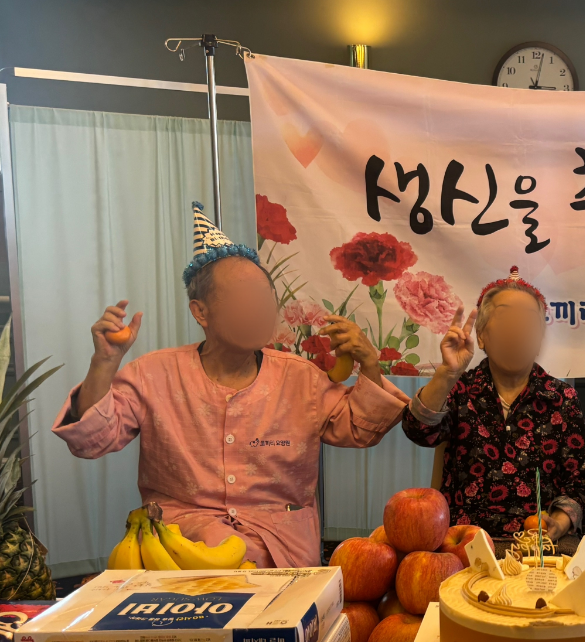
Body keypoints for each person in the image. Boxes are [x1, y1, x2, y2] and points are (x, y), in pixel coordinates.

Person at [53, 202, 410, 567]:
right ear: (200, 312)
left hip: (283, 555)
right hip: (181, 553)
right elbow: (91, 441)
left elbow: (360, 429)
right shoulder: (154, 374)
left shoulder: (301, 378)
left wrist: (369, 364)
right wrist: (104, 363)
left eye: (263, 298)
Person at [401, 266, 585, 549]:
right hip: (468, 542)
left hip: (540, 546)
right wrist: (447, 373)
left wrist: (559, 522)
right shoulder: (460, 389)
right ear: (481, 336)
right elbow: (418, 431)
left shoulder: (561, 397)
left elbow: (583, 483)